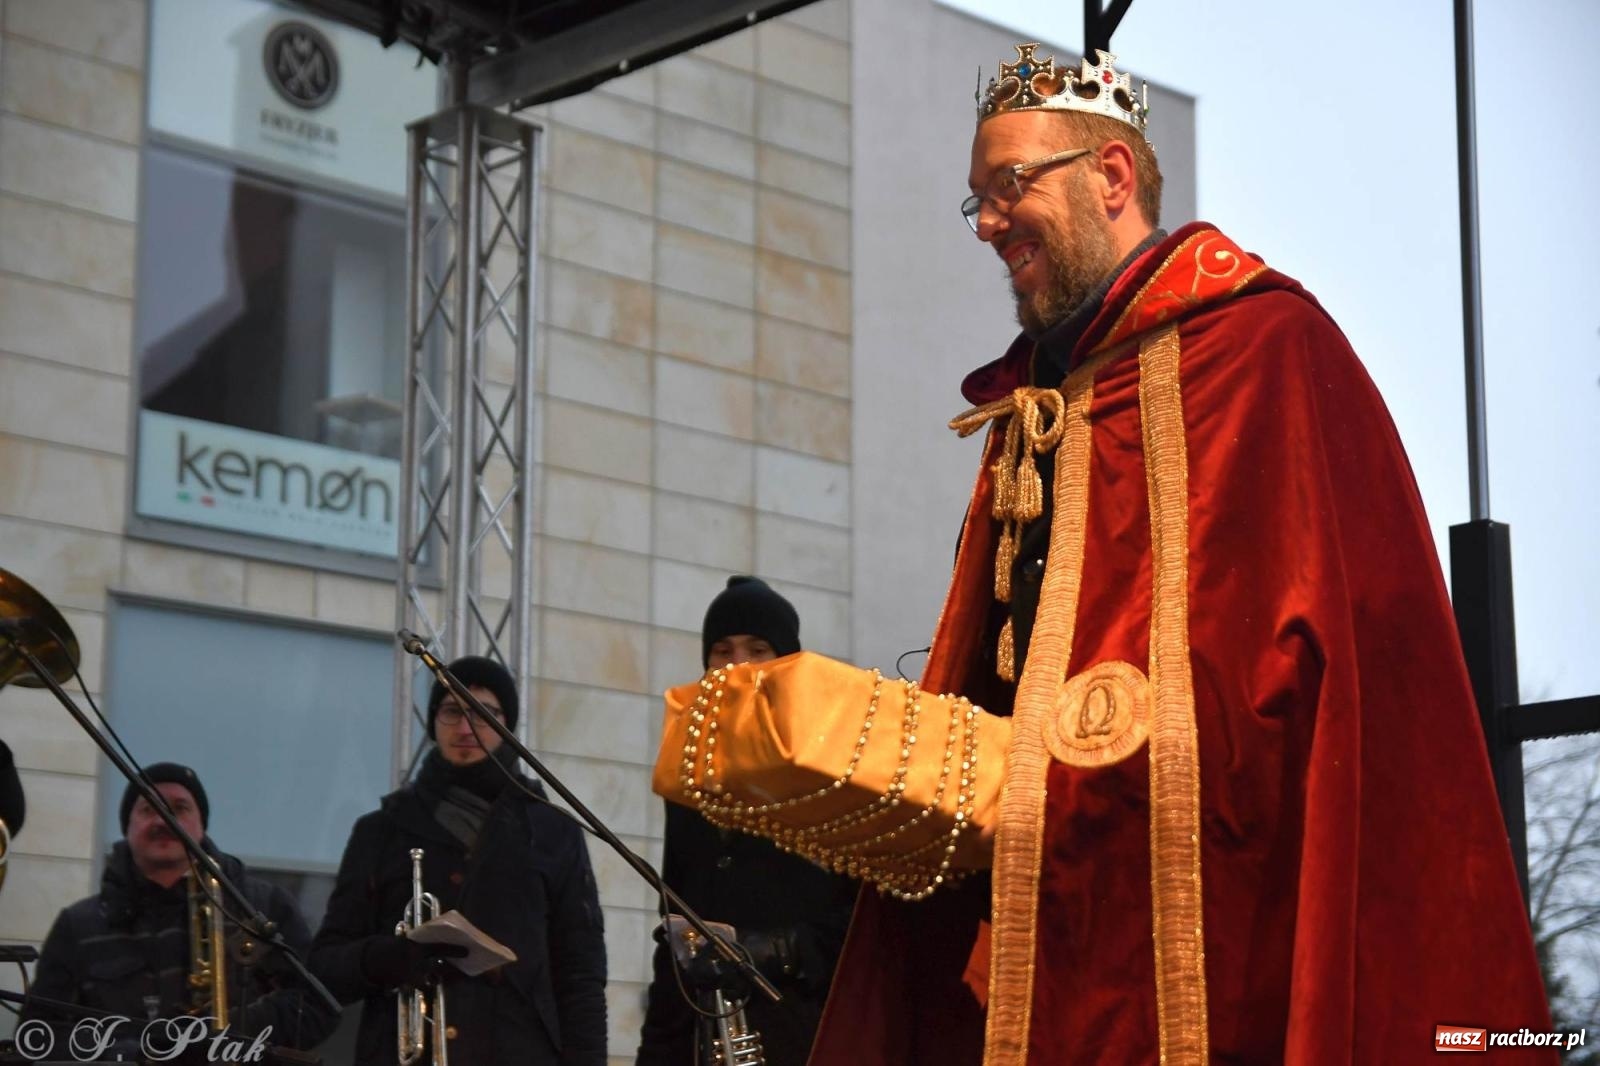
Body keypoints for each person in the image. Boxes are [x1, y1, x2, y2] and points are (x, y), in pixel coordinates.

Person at [801, 44, 1555, 1065]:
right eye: (973, 199)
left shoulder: (1268, 352)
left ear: (1111, 178)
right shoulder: (1033, 410)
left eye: (1008, 185)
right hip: (1052, 920)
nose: (985, 223)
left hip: (1231, 934)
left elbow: (1346, 702)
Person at [310, 656, 607, 1065]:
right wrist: (394, 956)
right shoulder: (380, 830)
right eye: (453, 712)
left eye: (484, 714)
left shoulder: (553, 830)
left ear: (508, 725)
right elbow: (326, 966)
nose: (467, 729)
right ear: (433, 722)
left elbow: (581, 976)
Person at [636, 577, 858, 1066]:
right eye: (722, 650)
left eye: (758, 649)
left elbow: (862, 920)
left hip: (806, 1031)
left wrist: (776, 951)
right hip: (706, 1038)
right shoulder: (689, 777)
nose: (738, 665)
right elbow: (675, 931)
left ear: (789, 663)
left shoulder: (831, 763)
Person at [23, 762, 338, 1057]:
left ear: (201, 826)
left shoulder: (262, 906)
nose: (163, 820)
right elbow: (36, 1037)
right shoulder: (78, 926)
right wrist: (133, 1052)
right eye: (149, 809)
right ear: (127, 829)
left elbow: (315, 1007)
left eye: (179, 809)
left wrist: (221, 1033)